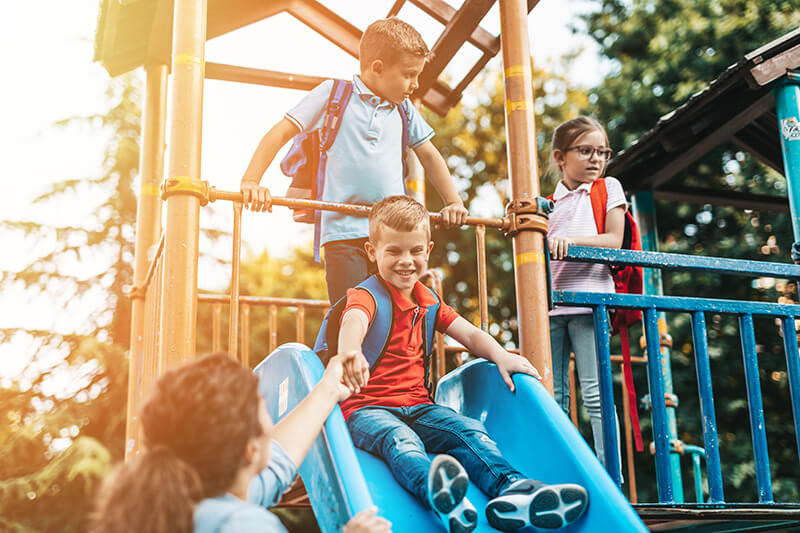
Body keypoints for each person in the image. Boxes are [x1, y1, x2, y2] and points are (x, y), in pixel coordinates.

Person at [328, 196, 589, 533]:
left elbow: (468, 333)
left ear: (428, 250)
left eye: (415, 251)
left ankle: (514, 490)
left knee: (469, 432)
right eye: (393, 251)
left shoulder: (427, 299)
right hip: (367, 409)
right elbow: (353, 322)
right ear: (371, 251)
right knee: (401, 441)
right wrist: (349, 351)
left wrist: (502, 355)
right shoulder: (366, 295)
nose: (406, 261)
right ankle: (442, 497)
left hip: (420, 406)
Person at [239, 16, 468, 305]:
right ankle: (342, 352)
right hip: (343, 231)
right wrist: (251, 181)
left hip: (392, 236)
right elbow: (280, 132)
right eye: (409, 74)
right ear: (377, 68)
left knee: (393, 317)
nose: (415, 83)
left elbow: (430, 156)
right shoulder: (334, 95)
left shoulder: (404, 110)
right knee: (350, 310)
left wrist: (453, 202)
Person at [89, 352, 391, 533]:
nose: (272, 428)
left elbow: (278, 460)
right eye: (265, 414)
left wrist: (328, 389)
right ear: (250, 451)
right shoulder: (240, 524)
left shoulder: (179, 504)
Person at [546, 115, 625, 471]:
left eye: (602, 152)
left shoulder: (608, 189)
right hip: (551, 308)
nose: (596, 159)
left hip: (590, 303)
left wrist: (570, 241)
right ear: (560, 157)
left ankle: (611, 477)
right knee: (555, 398)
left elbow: (614, 241)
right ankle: (564, 472)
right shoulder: (547, 204)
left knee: (595, 396)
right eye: (586, 151)